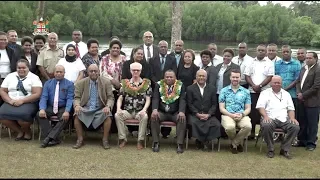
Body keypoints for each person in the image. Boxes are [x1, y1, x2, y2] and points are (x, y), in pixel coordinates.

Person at [256, 76, 300, 159]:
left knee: (295, 127)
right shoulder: (264, 93)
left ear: (281, 83)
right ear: (271, 83)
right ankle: (270, 149)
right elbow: (260, 107)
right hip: (270, 117)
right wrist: (265, 116)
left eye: (278, 82)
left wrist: (292, 118)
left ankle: (284, 149)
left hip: (284, 118)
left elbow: (290, 109)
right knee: (266, 125)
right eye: (274, 82)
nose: (276, 84)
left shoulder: (286, 94)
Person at [73, 64, 114, 149]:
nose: (93, 73)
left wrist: (108, 106)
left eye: (95, 71)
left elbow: (110, 97)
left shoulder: (106, 82)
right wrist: (77, 105)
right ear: (87, 72)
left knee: (108, 116)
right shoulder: (80, 83)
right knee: (77, 115)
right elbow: (76, 98)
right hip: (86, 109)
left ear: (99, 72)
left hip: (100, 109)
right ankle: (80, 139)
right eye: (91, 71)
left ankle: (105, 140)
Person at [0, 59, 42, 140]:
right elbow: (2, 90)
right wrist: (10, 101)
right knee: (1, 115)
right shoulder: (10, 76)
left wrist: (22, 101)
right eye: (19, 68)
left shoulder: (34, 78)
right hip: (11, 101)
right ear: (16, 68)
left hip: (28, 102)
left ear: (28, 68)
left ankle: (27, 131)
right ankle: (19, 131)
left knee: (23, 116)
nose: (21, 70)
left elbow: (37, 94)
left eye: (24, 68)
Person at [115, 62, 152, 150]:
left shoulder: (146, 83)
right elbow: (120, 98)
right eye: (133, 70)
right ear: (130, 71)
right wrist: (118, 108)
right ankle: (123, 139)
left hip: (140, 111)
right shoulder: (125, 83)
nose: (135, 72)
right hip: (128, 111)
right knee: (117, 115)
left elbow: (148, 99)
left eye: (137, 70)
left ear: (140, 71)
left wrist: (144, 109)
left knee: (145, 117)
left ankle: (140, 140)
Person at [38, 65, 74, 148]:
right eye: (57, 72)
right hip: (51, 106)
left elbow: (70, 98)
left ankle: (48, 138)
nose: (58, 74)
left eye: (61, 72)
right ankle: (54, 138)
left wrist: (67, 111)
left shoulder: (69, 84)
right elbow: (44, 97)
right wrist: (42, 109)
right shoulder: (48, 83)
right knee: (39, 114)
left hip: (62, 107)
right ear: (54, 73)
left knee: (64, 117)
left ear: (64, 73)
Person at [151, 70, 186, 153]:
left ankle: (179, 144)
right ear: (164, 77)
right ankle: (156, 142)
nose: (169, 78)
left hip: (175, 112)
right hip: (162, 112)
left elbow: (182, 99)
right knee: (154, 117)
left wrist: (181, 111)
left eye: (171, 77)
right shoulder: (158, 85)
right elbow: (155, 98)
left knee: (182, 118)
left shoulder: (180, 85)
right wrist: (155, 109)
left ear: (175, 78)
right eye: (167, 77)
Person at [244, 44, 274, 140]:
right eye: (259, 50)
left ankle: (263, 133)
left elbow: (270, 76)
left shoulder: (269, 63)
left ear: (265, 52)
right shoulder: (250, 62)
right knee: (252, 112)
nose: (261, 52)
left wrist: (260, 86)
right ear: (256, 51)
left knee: (264, 112)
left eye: (263, 50)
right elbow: (247, 76)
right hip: (252, 91)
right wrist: (253, 86)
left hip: (264, 91)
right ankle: (251, 132)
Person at [219, 69, 252, 154]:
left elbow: (248, 108)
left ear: (240, 78)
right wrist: (231, 115)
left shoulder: (246, 92)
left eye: (237, 77)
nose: (235, 79)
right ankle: (238, 143)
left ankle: (234, 144)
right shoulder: (224, 91)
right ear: (230, 77)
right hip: (227, 115)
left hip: (242, 115)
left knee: (248, 126)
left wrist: (242, 114)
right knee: (230, 127)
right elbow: (221, 108)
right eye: (233, 77)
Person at [186, 69, 221, 151]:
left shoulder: (212, 88)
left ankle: (206, 141)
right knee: (194, 123)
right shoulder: (190, 88)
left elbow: (214, 104)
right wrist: (197, 114)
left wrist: (208, 114)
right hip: (194, 114)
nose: (201, 77)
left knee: (216, 124)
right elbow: (189, 104)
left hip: (208, 114)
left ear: (206, 77)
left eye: (203, 76)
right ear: (196, 77)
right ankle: (199, 140)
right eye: (199, 76)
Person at [295, 52, 320, 151]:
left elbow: (316, 86)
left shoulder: (318, 69)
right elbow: (298, 82)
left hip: (313, 101)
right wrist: (298, 93)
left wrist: (303, 95)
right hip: (301, 100)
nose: (307, 60)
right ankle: (302, 141)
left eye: (310, 58)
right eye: (307, 58)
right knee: (302, 121)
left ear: (316, 59)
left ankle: (311, 143)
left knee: (312, 123)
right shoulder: (303, 68)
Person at [100, 39, 126, 133]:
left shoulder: (124, 59)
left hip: (121, 87)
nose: (115, 49)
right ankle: (107, 127)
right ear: (110, 49)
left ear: (120, 49)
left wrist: (120, 84)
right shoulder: (104, 58)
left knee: (118, 107)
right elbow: (102, 73)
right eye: (113, 47)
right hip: (108, 87)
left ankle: (116, 128)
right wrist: (113, 81)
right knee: (108, 106)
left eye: (118, 48)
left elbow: (126, 73)